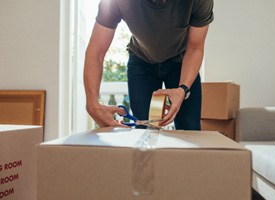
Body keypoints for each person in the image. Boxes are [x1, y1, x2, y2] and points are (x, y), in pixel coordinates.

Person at [84, 0, 214, 130]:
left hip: (182, 61)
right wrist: (92, 104)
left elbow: (195, 48)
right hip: (141, 60)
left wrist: (183, 89)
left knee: (190, 128)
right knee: (143, 129)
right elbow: (96, 51)